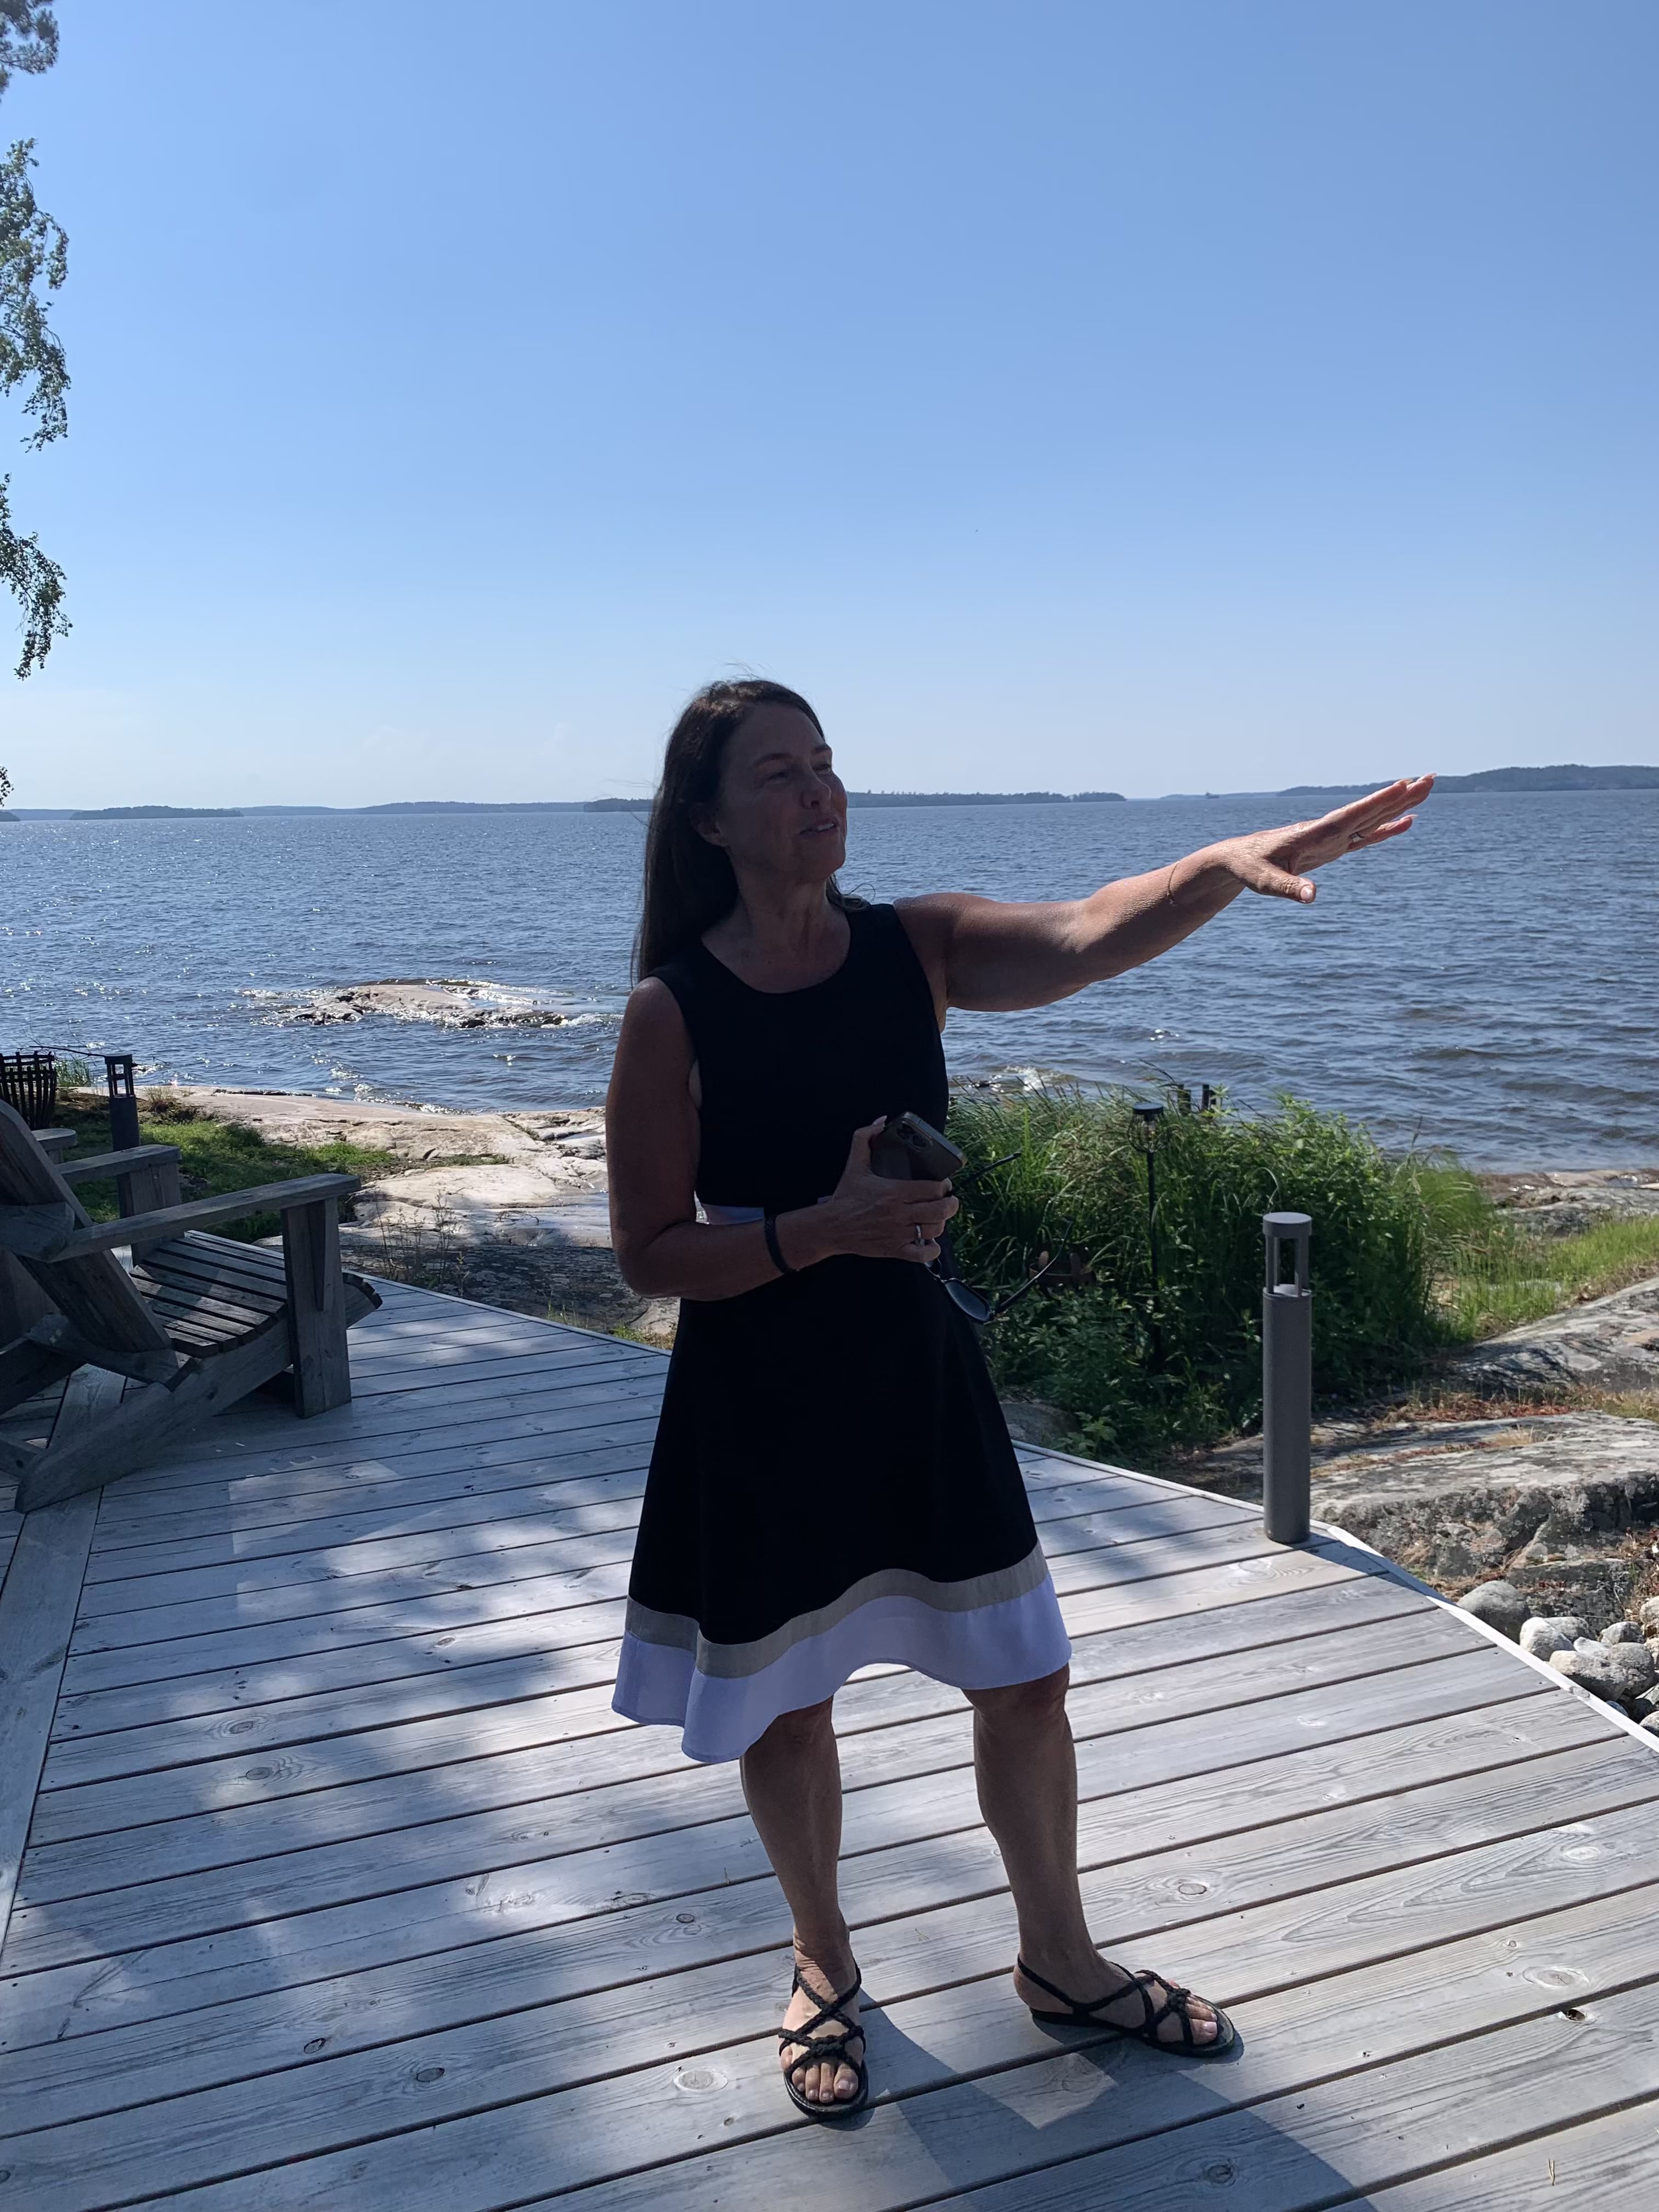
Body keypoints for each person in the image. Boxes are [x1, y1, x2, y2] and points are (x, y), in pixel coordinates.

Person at [606, 677, 1429, 2120]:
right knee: (789, 1706)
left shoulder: (911, 947)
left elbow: (1088, 932)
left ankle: (1061, 1960)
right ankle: (823, 1964)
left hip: (916, 1376)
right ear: (710, 819)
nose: (819, 791)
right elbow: (650, 1254)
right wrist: (824, 1230)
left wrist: (1222, 864)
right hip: (761, 1398)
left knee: (1026, 1677)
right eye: (781, 773)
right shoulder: (672, 1012)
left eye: (827, 763)